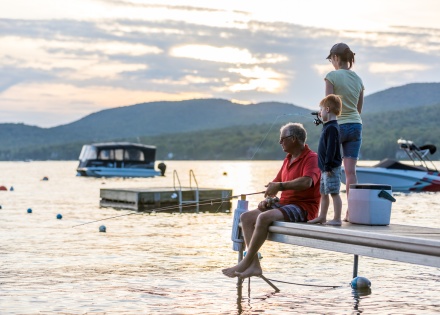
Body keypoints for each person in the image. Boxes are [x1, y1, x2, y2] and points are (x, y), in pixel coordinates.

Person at [222, 122, 321, 279]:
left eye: (282, 139)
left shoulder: (312, 158)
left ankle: (245, 261)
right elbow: (275, 185)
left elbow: (306, 182)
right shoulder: (288, 159)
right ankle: (254, 266)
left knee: (264, 217)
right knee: (246, 217)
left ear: (294, 138)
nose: (280, 142)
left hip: (304, 207)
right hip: (285, 204)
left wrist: (280, 186)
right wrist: (268, 199)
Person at [325, 42, 364, 221]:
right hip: (356, 125)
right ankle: (352, 213)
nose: (331, 62)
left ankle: (332, 215)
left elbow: (329, 106)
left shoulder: (331, 76)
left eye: (331, 59)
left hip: (337, 127)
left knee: (330, 168)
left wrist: (322, 117)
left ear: (336, 58)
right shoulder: (358, 79)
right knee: (351, 173)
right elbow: (358, 109)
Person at [308, 94, 343, 226]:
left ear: (327, 110)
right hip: (325, 168)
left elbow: (331, 149)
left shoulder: (333, 128)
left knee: (334, 192)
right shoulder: (328, 126)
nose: (320, 112)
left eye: (321, 110)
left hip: (331, 168)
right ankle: (322, 217)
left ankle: (337, 218)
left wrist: (328, 166)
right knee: (323, 193)